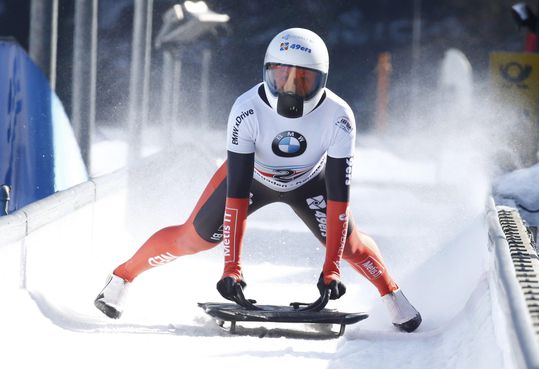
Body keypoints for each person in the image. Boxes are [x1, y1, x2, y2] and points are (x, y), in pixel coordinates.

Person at [94, 27, 422, 332]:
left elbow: (338, 200)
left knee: (351, 247)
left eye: (302, 82)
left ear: (322, 81)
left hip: (310, 180)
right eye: (281, 78)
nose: (290, 90)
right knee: (193, 238)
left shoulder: (339, 116)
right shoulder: (246, 109)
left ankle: (391, 293)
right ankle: (122, 278)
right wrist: (231, 268)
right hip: (251, 177)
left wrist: (332, 268)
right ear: (266, 73)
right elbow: (236, 195)